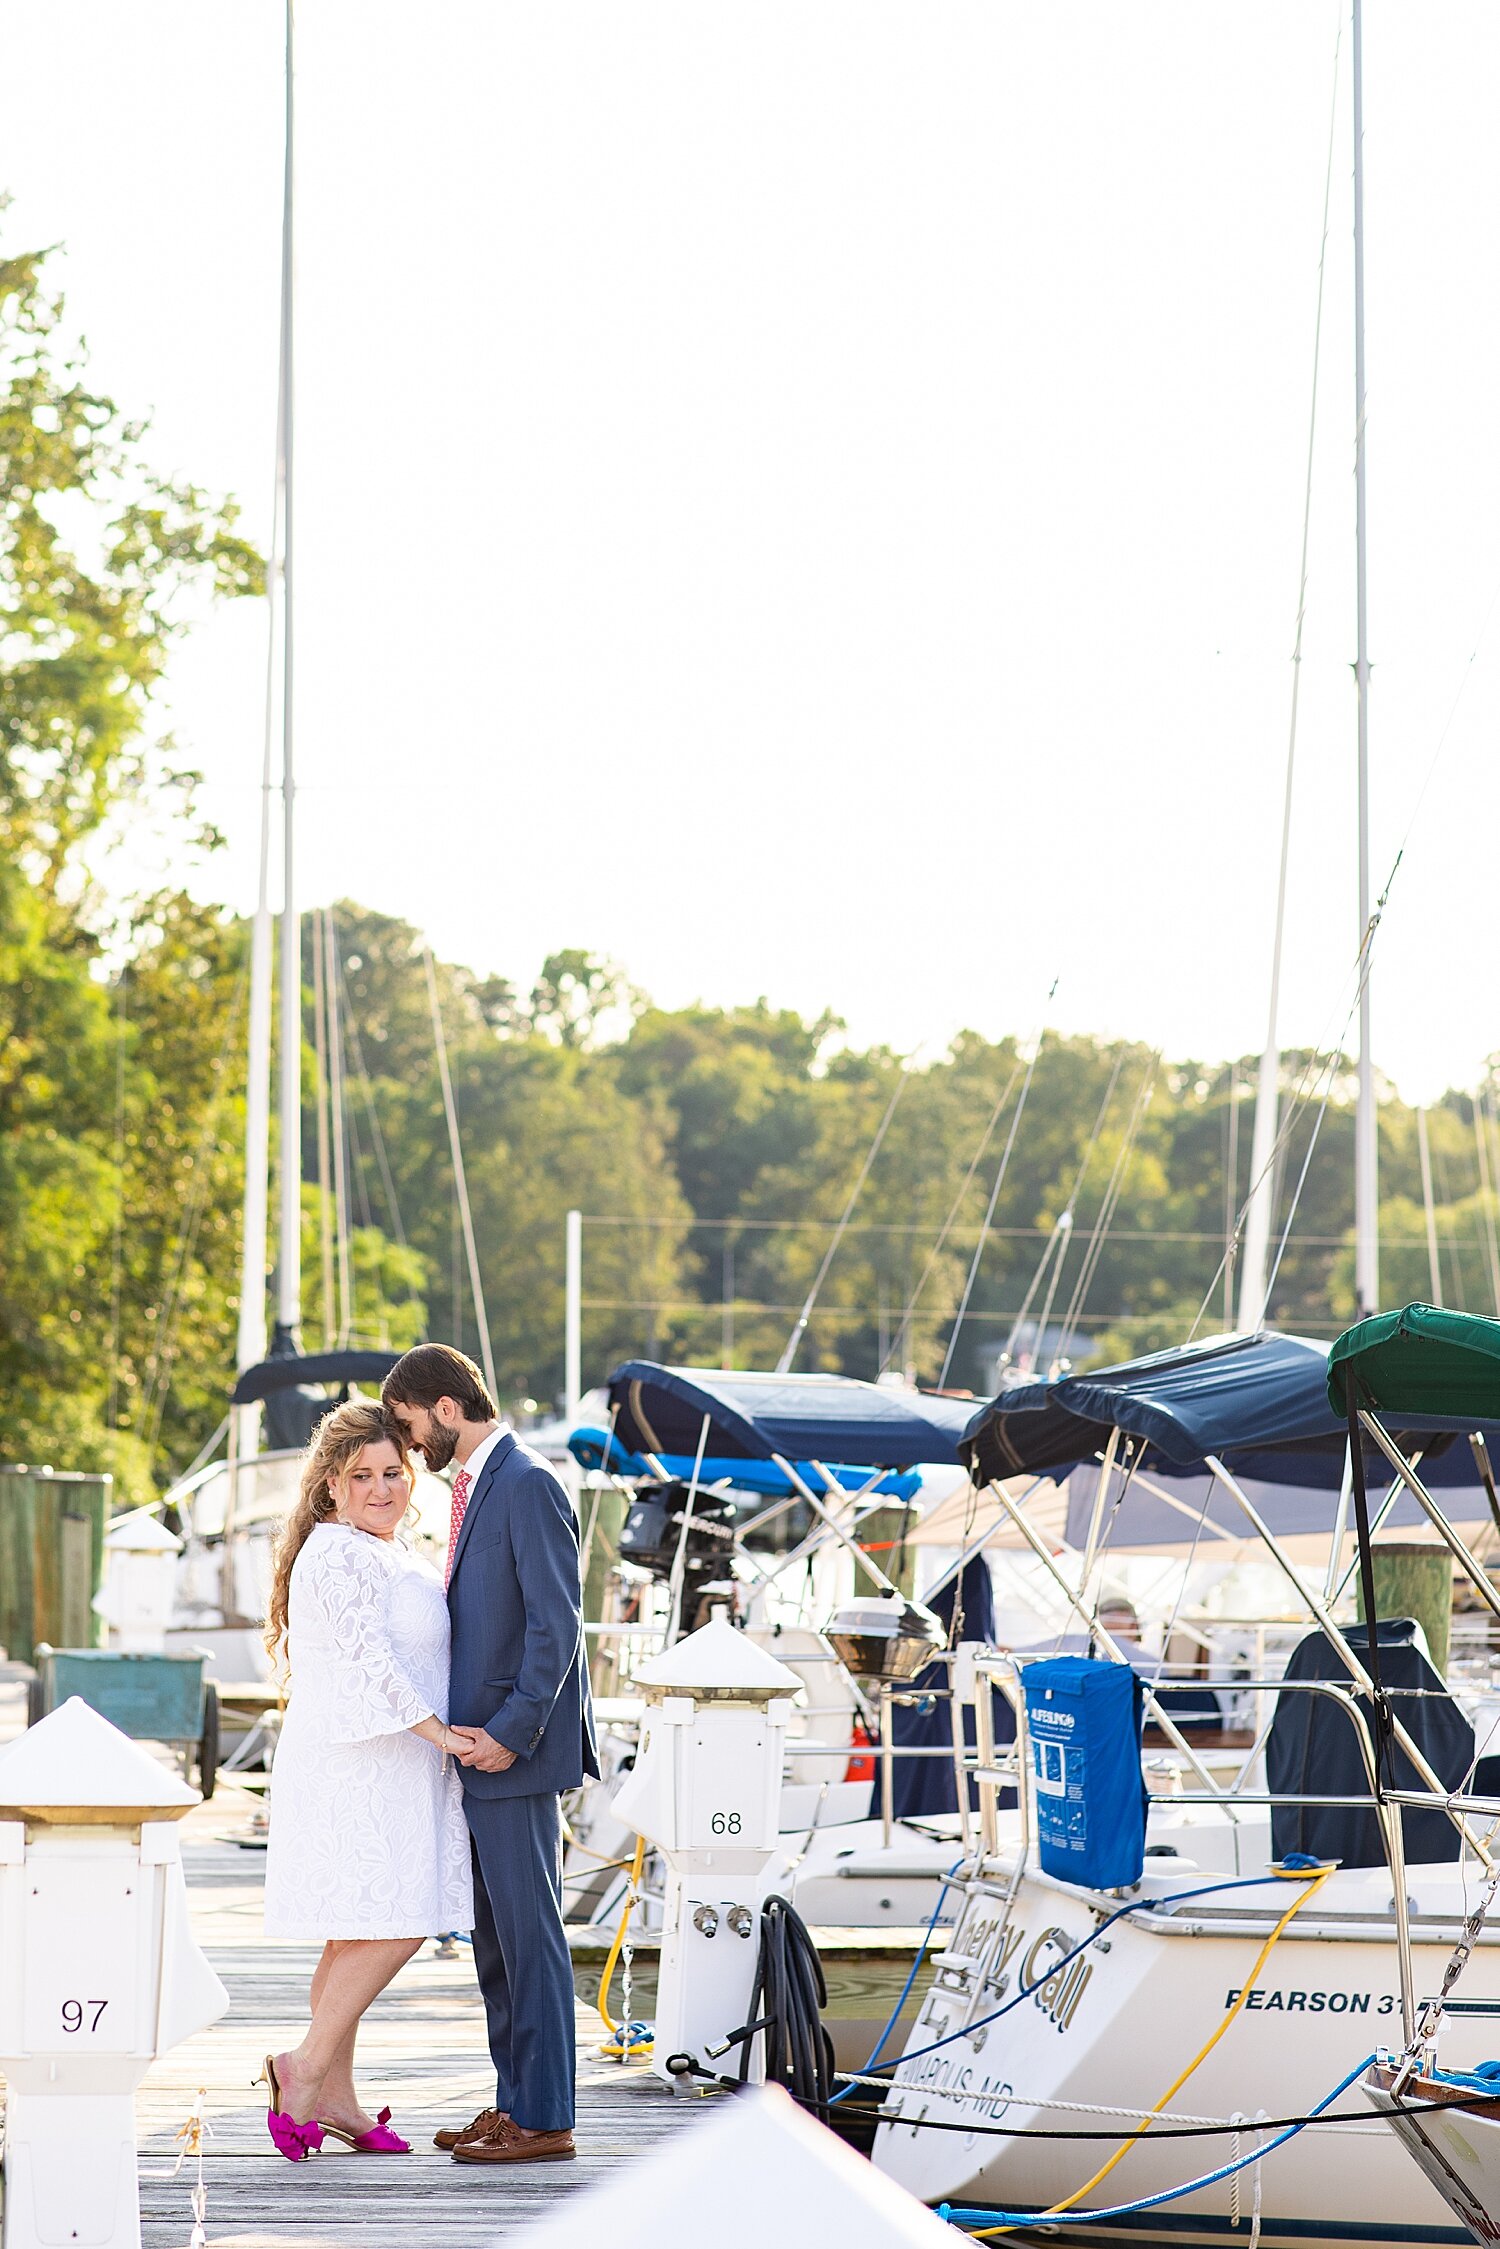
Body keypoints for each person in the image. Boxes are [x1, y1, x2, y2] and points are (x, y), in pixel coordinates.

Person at [382, 1343, 599, 2167]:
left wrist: (510, 1733)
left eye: (409, 1424)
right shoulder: (478, 1486)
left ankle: (545, 2118)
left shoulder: (530, 1482)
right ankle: (515, 2103)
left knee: (530, 1936)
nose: (409, 1445)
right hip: (477, 1755)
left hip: (515, 1754)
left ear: (444, 1406)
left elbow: (558, 1626)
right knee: (495, 1941)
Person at [260, 1399, 473, 2161]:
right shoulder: (339, 1551)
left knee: (359, 1924)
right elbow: (369, 1666)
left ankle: (339, 2097)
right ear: (331, 1483)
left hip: (393, 1762)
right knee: (400, 1914)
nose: (382, 1487)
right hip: (362, 1762)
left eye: (393, 1470)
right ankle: (305, 2068)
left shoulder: (388, 1546)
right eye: (363, 1475)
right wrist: (443, 1735)